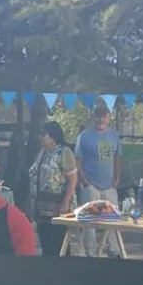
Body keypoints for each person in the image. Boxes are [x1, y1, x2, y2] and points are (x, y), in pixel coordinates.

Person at [75, 105, 122, 258]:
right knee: (89, 221)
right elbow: (78, 161)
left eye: (104, 116)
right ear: (94, 118)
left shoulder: (114, 135)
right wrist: (85, 183)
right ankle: (91, 252)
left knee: (113, 219)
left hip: (109, 186)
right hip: (91, 185)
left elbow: (117, 158)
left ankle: (114, 250)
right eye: (99, 116)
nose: (101, 120)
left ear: (109, 118)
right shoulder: (84, 136)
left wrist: (117, 178)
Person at [28, 121, 78, 256]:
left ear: (52, 137)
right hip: (41, 208)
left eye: (43, 135)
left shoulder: (64, 152)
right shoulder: (42, 153)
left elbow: (72, 178)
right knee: (46, 244)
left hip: (57, 207)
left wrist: (65, 202)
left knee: (59, 243)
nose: (41, 138)